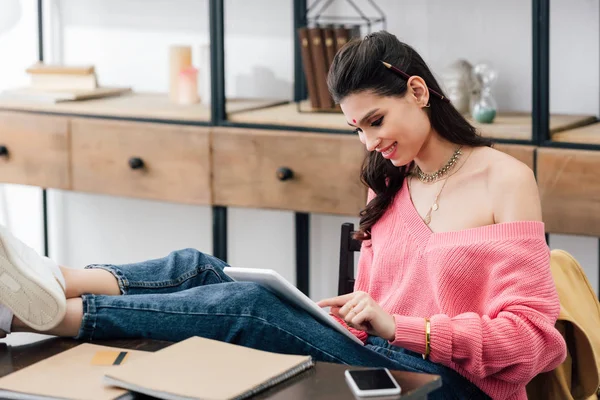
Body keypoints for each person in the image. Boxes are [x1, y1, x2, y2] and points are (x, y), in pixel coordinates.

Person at [0, 31, 565, 399]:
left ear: (418, 91)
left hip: (450, 384)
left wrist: (400, 327)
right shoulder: (393, 181)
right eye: (358, 129)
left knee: (247, 306)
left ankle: (44, 317)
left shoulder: (505, 179)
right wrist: (357, 314)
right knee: (202, 267)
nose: (369, 142)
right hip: (375, 356)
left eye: (375, 120)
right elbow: (379, 304)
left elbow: (534, 340)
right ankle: (47, 284)